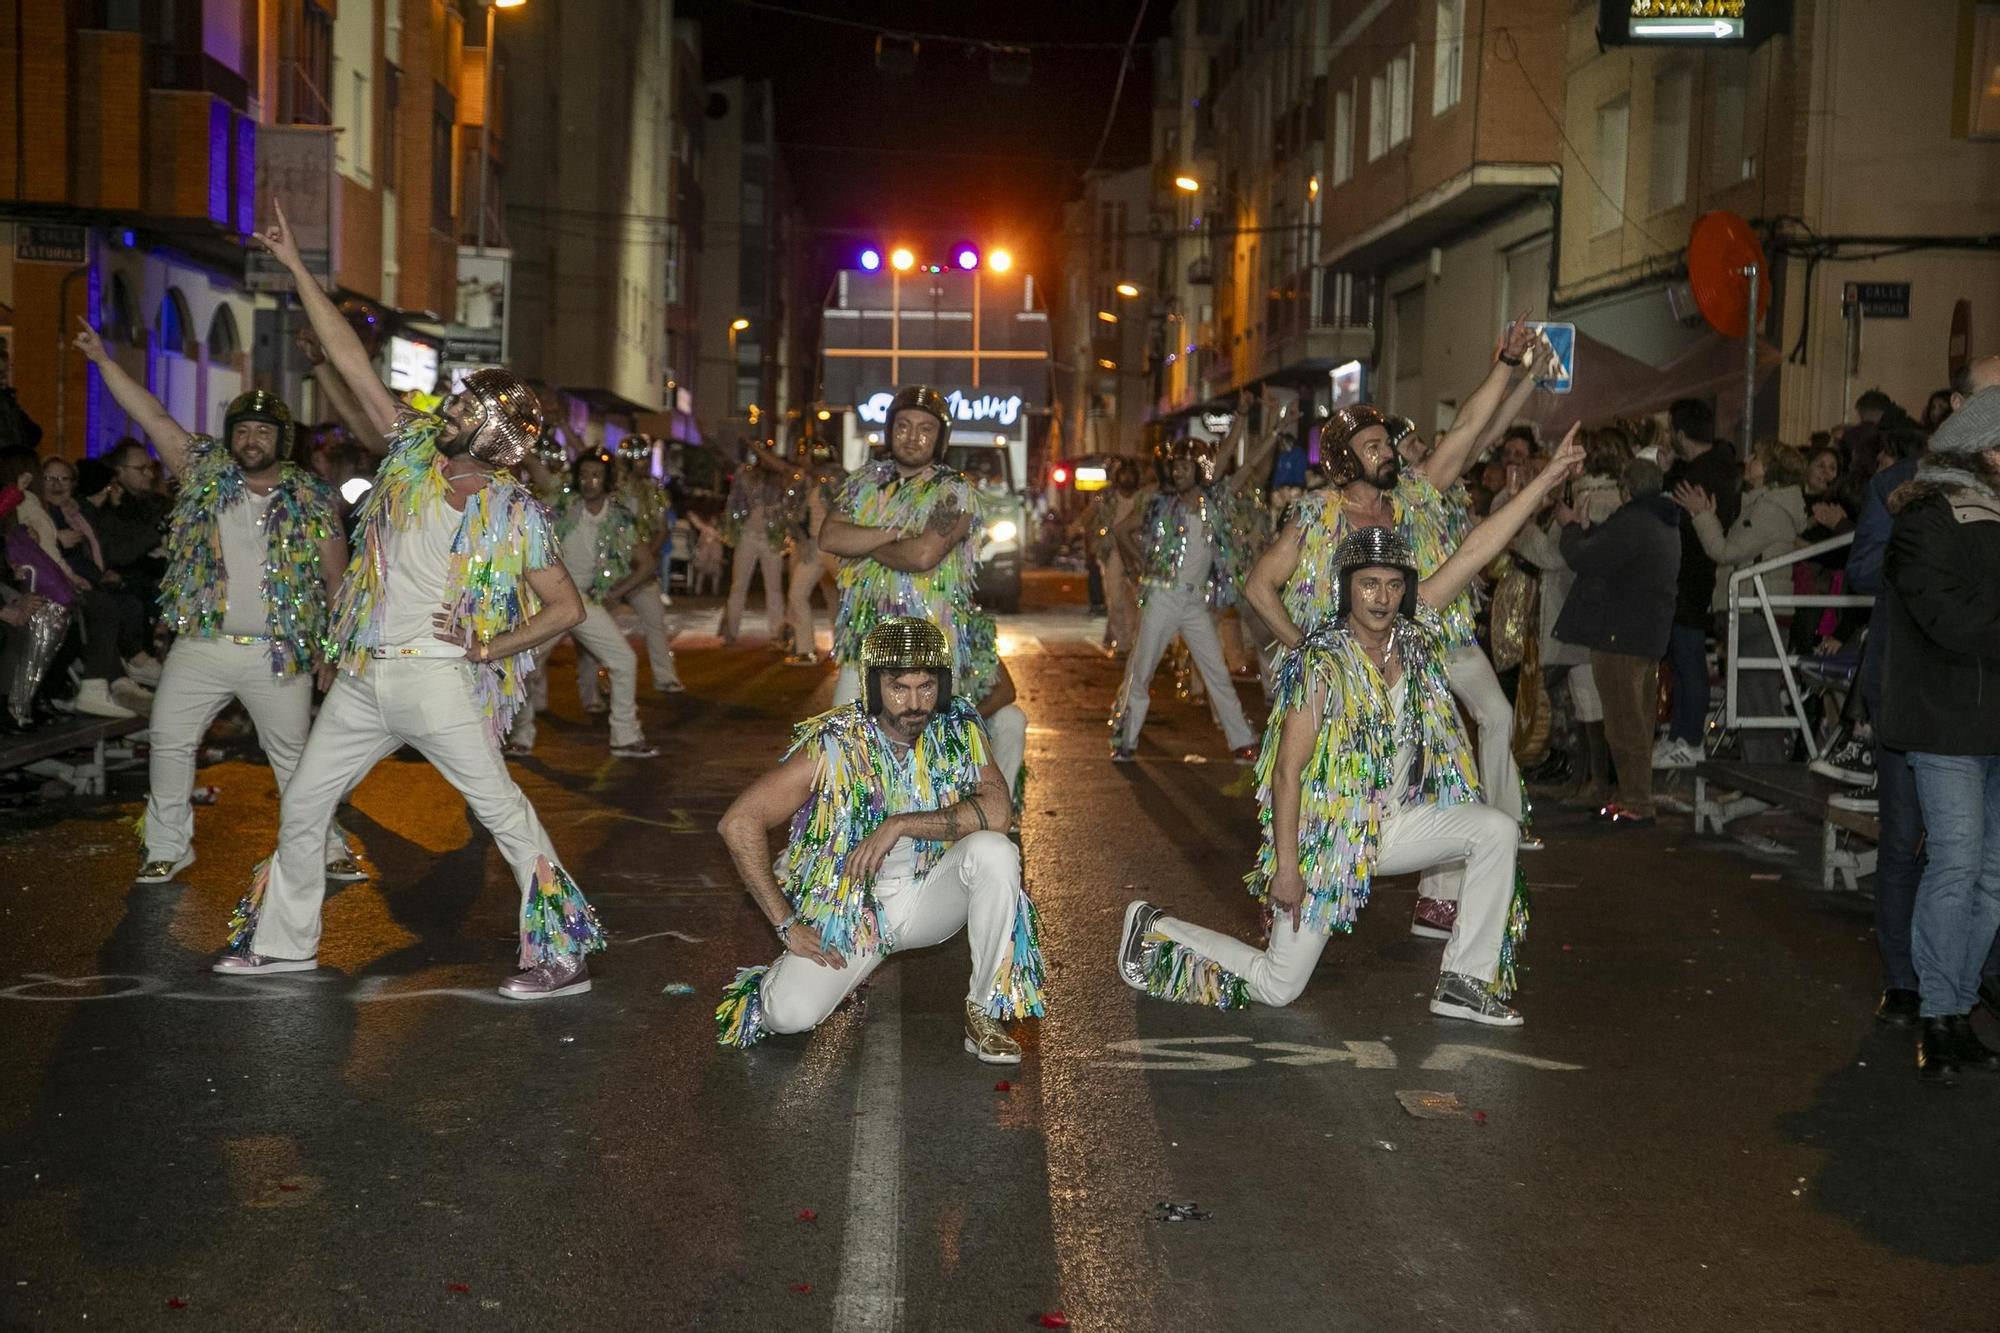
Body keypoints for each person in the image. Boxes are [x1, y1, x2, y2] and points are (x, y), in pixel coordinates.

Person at [215, 199, 605, 1000]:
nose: (447, 409)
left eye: (464, 407)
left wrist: (492, 648)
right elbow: (352, 360)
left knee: (501, 811)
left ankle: (559, 953)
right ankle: (285, 943)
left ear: (495, 435)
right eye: (454, 402)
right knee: (304, 803)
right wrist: (295, 268)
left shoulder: (508, 506)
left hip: (435, 677)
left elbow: (567, 608)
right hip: (363, 675)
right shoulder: (409, 456)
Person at [1117, 434, 1584, 1025]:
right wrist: (1287, 869)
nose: (1382, 598)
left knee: (1495, 829)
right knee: (1278, 984)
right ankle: (1154, 928)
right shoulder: (1321, 662)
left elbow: (1472, 551)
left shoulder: (1414, 638)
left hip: (1396, 825)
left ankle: (1464, 981)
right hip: (1329, 837)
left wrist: (1545, 482)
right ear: (1345, 588)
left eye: (1393, 585)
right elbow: (1286, 774)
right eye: (1369, 584)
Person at [74, 325, 362, 883]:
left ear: (282, 441)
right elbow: (153, 415)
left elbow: (338, 583)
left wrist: (333, 649)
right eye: (243, 430)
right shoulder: (203, 474)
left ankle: (325, 845)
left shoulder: (313, 500)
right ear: (230, 437)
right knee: (168, 739)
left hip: (279, 652)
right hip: (201, 644)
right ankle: (167, 846)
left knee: (296, 760)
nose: (251, 439)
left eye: (263, 431)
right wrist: (102, 359)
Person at [1246, 323, 1551, 838]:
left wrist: (1508, 363)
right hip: (1343, 679)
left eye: (1387, 443)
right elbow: (1258, 586)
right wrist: (1307, 651)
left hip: (1416, 659)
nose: (1387, 451)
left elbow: (1471, 428)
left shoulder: (1415, 494)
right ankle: (1304, 878)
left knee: (1444, 767)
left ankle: (1450, 881)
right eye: (1373, 446)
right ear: (1345, 458)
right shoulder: (1317, 516)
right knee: (1332, 788)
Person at [713, 616, 1044, 1061]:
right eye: (898, 687)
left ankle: (983, 1012)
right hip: (851, 915)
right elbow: (739, 822)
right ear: (872, 686)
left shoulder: (959, 727)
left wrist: (900, 824)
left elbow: (998, 813)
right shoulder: (835, 742)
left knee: (994, 851)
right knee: (787, 1017)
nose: (914, 702)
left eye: (926, 687)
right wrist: (785, 924)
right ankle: (780, 980)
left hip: (930, 895)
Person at [1878, 387, 2000, 1082]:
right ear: (1986, 451)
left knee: (1991, 878)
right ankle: (1937, 1015)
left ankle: (1955, 1007)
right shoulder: (1927, 518)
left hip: (1987, 722)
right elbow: (1946, 618)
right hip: (1947, 723)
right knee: (1956, 865)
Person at [1107, 422, 1281, 762]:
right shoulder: (1160, 503)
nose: (1180, 471)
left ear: (1199, 470)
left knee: (1216, 669)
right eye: (1177, 466)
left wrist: (1255, 423)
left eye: (1187, 466)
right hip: (1162, 596)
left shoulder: (1213, 502)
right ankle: (1125, 739)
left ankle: (1241, 740)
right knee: (1143, 670)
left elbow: (1238, 464)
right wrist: (1139, 563)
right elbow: (1121, 530)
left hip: (1194, 601)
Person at [813, 386, 980, 706]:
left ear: (940, 438)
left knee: (933, 751)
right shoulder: (864, 482)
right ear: (890, 430)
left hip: (931, 645)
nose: (912, 436)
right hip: (865, 640)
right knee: (847, 744)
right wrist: (896, 533)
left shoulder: (954, 491)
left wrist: (862, 541)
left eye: (925, 428)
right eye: (903, 426)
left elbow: (922, 555)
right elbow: (830, 537)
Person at [1552, 457, 1682, 825]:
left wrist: (1570, 528)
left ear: (1626, 489)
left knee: (1624, 723)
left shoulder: (1633, 522)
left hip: (1620, 633)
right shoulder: (1664, 521)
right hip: (1648, 632)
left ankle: (1636, 800)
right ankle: (1634, 794)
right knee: (1638, 720)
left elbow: (1584, 557)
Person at [507, 449, 658, 759]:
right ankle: (521, 735)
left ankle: (625, 736)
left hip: (586, 602)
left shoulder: (618, 519)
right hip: (549, 600)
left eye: (596, 475)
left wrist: (617, 591)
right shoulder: (560, 505)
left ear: (607, 481)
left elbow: (646, 564)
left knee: (624, 661)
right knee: (524, 665)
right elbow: (537, 470)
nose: (589, 481)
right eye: (584, 475)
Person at [1674, 440, 1808, 764]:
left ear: (1773, 469)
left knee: (1757, 697)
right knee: (1750, 696)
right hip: (1753, 611)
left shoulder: (1770, 510)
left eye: (1757, 458)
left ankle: (1766, 774)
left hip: (1757, 612)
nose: (1748, 460)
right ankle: (1758, 772)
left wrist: (1701, 516)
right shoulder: (1762, 505)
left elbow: (1725, 552)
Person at [1655, 399, 1742, 770]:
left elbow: (1675, 515)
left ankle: (1689, 739)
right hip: (1693, 579)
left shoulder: (1701, 475)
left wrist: (1666, 477)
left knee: (1689, 662)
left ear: (1680, 433)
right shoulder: (1715, 467)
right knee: (1683, 659)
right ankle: (1680, 735)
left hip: (1691, 579)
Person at [781, 437, 844, 666]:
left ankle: (848, 651)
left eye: (805, 454)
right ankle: (805, 650)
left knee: (846, 598)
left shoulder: (838, 477)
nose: (801, 459)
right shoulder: (808, 481)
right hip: (815, 546)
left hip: (835, 547)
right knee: (797, 594)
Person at [720, 440, 790, 644]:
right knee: (738, 584)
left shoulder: (780, 477)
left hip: (770, 537)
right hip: (748, 535)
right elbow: (734, 502)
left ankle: (777, 632)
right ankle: (731, 631)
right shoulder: (744, 474)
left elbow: (786, 502)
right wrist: (732, 527)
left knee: (774, 587)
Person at [1090, 460, 1143, 654]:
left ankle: (1134, 641)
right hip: (1111, 550)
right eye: (1123, 474)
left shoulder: (1143, 498)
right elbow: (1091, 515)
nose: (1127, 478)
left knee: (1138, 598)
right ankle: (1121, 642)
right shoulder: (1106, 497)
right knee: (1116, 598)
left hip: (1137, 551)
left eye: (1130, 474)